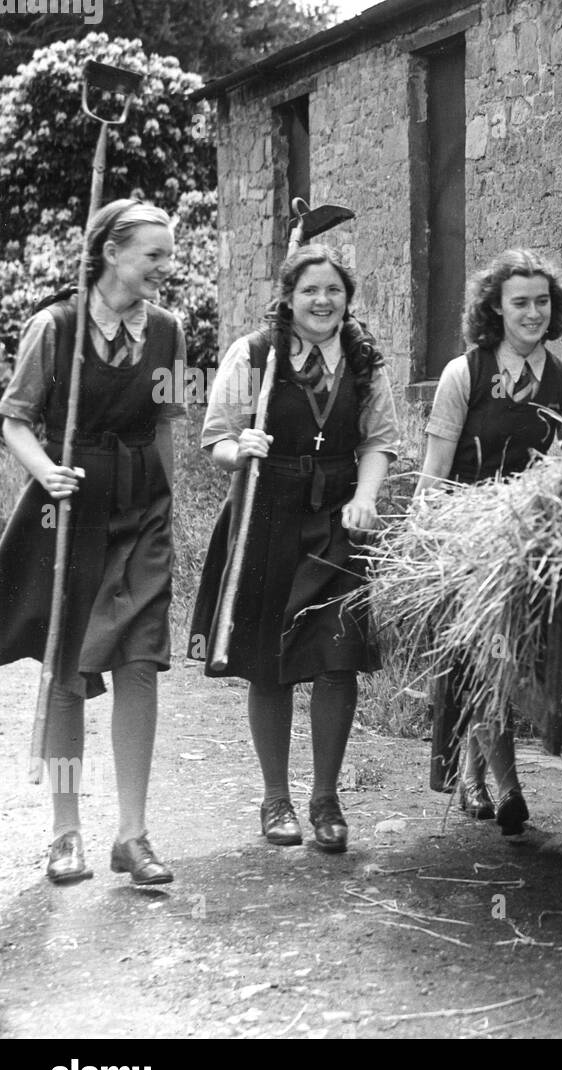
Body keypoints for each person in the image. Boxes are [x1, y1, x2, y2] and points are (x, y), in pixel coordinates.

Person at [190, 243, 398, 854]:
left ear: (347, 297)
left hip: (336, 520)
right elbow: (217, 441)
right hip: (266, 516)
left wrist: (365, 497)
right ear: (289, 296)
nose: (323, 301)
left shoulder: (364, 361)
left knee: (338, 657)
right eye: (310, 290)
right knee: (269, 662)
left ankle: (326, 800)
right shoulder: (254, 355)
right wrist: (242, 448)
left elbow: (379, 441)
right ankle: (276, 799)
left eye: (333, 290)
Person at [0, 199, 184, 885]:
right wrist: (46, 471)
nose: (167, 269)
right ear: (111, 253)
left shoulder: (169, 331)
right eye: (154, 257)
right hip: (69, 513)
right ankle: (65, 830)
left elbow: (167, 421)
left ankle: (132, 835)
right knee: (69, 670)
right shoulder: (54, 326)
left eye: (169, 256)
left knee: (141, 662)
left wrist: (171, 510)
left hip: (142, 511)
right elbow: (14, 418)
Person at [416, 248, 562, 835]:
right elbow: (433, 475)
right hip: (470, 542)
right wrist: (427, 539)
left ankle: (474, 772)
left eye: (543, 302)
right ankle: (505, 785)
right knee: (484, 658)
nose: (533, 313)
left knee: (513, 662)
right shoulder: (463, 374)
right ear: (496, 308)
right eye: (520, 302)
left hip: (532, 547)